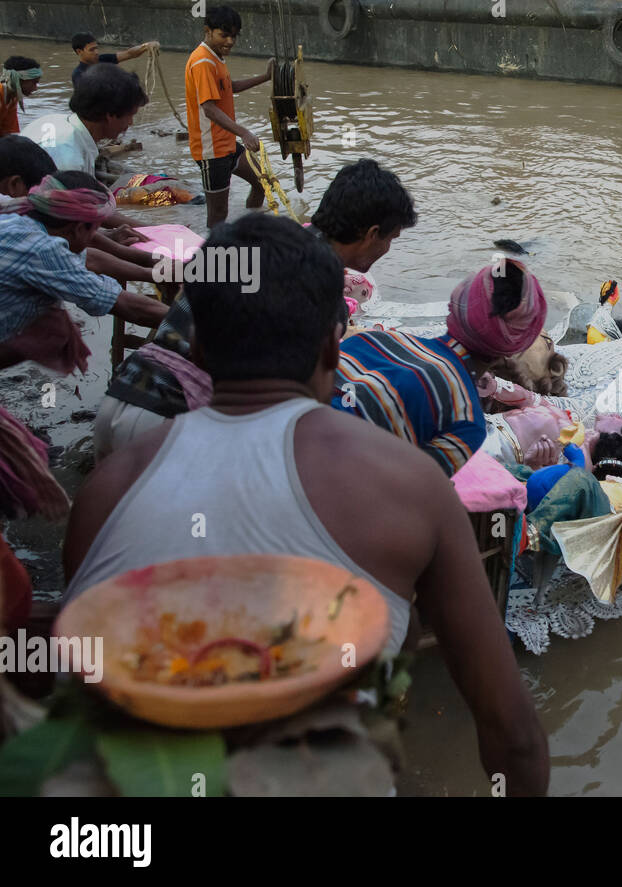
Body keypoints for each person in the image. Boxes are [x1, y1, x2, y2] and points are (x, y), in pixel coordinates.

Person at [62, 214, 549, 794]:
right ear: (330, 346)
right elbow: (512, 733)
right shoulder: (412, 486)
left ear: (194, 343)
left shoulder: (106, 490)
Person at [93, 159, 417, 459]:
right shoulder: (321, 284)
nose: (387, 249)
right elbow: (298, 391)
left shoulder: (252, 239)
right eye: (391, 238)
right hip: (171, 419)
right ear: (372, 233)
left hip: (123, 395)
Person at [334, 258, 548, 476]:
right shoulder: (465, 421)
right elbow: (402, 490)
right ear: (514, 347)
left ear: (455, 303)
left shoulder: (376, 341)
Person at [0, 170, 166, 373]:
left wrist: (153, 271)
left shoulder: (18, 220)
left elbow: (90, 258)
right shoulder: (43, 250)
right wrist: (201, 319)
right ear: (78, 229)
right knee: (54, 328)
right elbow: (128, 306)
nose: (96, 236)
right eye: (94, 230)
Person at [0, 135, 174, 286]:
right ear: (14, 185)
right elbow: (88, 260)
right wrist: (155, 268)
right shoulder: (21, 229)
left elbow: (74, 235)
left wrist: (155, 233)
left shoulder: (24, 212)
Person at [184, 6, 274, 228]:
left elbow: (230, 87)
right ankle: (213, 258)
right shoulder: (203, 62)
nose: (230, 41)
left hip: (227, 144)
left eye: (234, 36)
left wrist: (267, 77)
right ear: (208, 31)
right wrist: (244, 132)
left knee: (263, 181)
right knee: (218, 215)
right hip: (211, 150)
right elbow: (209, 109)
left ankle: (251, 229)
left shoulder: (215, 57)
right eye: (224, 35)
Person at [21, 62, 149, 201]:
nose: (130, 123)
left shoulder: (56, 121)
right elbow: (69, 211)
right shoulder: (69, 157)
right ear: (110, 115)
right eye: (130, 115)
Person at [70, 32, 158, 86]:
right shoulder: (78, 74)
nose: (96, 52)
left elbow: (129, 54)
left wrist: (146, 47)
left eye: (96, 48)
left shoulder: (103, 59)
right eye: (92, 50)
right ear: (79, 51)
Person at [1, 57, 42, 136]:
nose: (35, 88)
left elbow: (9, 132)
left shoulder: (12, 97)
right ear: (17, 79)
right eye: (34, 83)